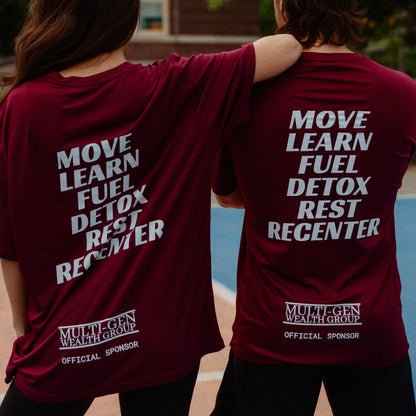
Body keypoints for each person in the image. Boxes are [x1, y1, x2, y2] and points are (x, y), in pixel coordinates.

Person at [0, 0, 302, 414]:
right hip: (162, 333)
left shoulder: (22, 106)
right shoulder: (175, 86)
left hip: (67, 336)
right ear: (127, 20)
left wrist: (23, 325)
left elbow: (9, 236)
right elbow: (287, 49)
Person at [211, 0, 416, 415]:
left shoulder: (247, 93)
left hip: (273, 329)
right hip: (368, 325)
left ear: (283, 7)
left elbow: (228, 197)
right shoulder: (403, 92)